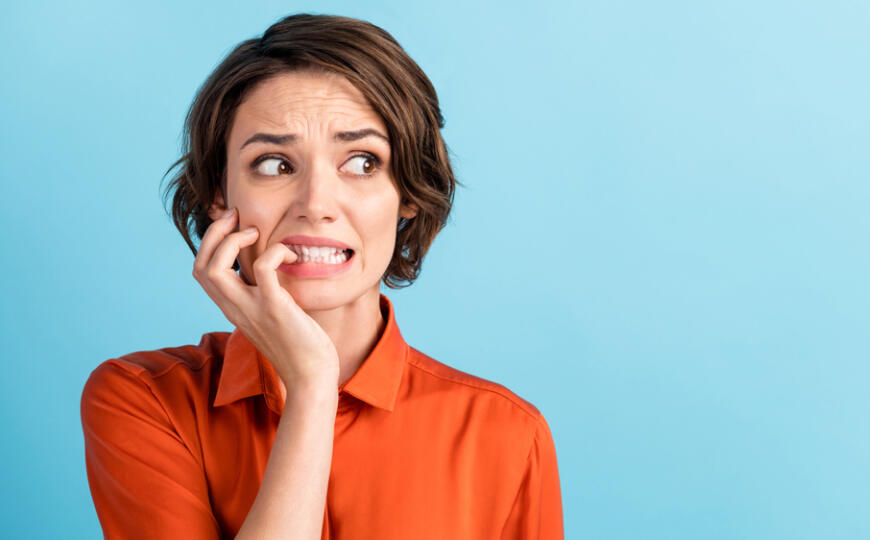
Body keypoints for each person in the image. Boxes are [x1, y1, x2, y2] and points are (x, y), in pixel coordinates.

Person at [79, 13, 563, 539]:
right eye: (274, 165)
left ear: (406, 194)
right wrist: (311, 388)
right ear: (221, 195)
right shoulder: (145, 400)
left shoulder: (507, 435)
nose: (316, 205)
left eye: (361, 163)